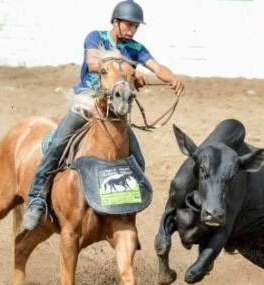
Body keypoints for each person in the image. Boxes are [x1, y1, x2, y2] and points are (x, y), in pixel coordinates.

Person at [22, 0, 185, 231]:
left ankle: (127, 207)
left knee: (137, 159)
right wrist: (130, 71)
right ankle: (37, 199)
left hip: (115, 111)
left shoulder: (136, 48)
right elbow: (93, 64)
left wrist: (173, 79)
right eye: (128, 25)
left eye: (135, 27)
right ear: (115, 22)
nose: (132, 30)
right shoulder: (95, 38)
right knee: (58, 143)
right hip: (88, 102)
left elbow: (158, 68)